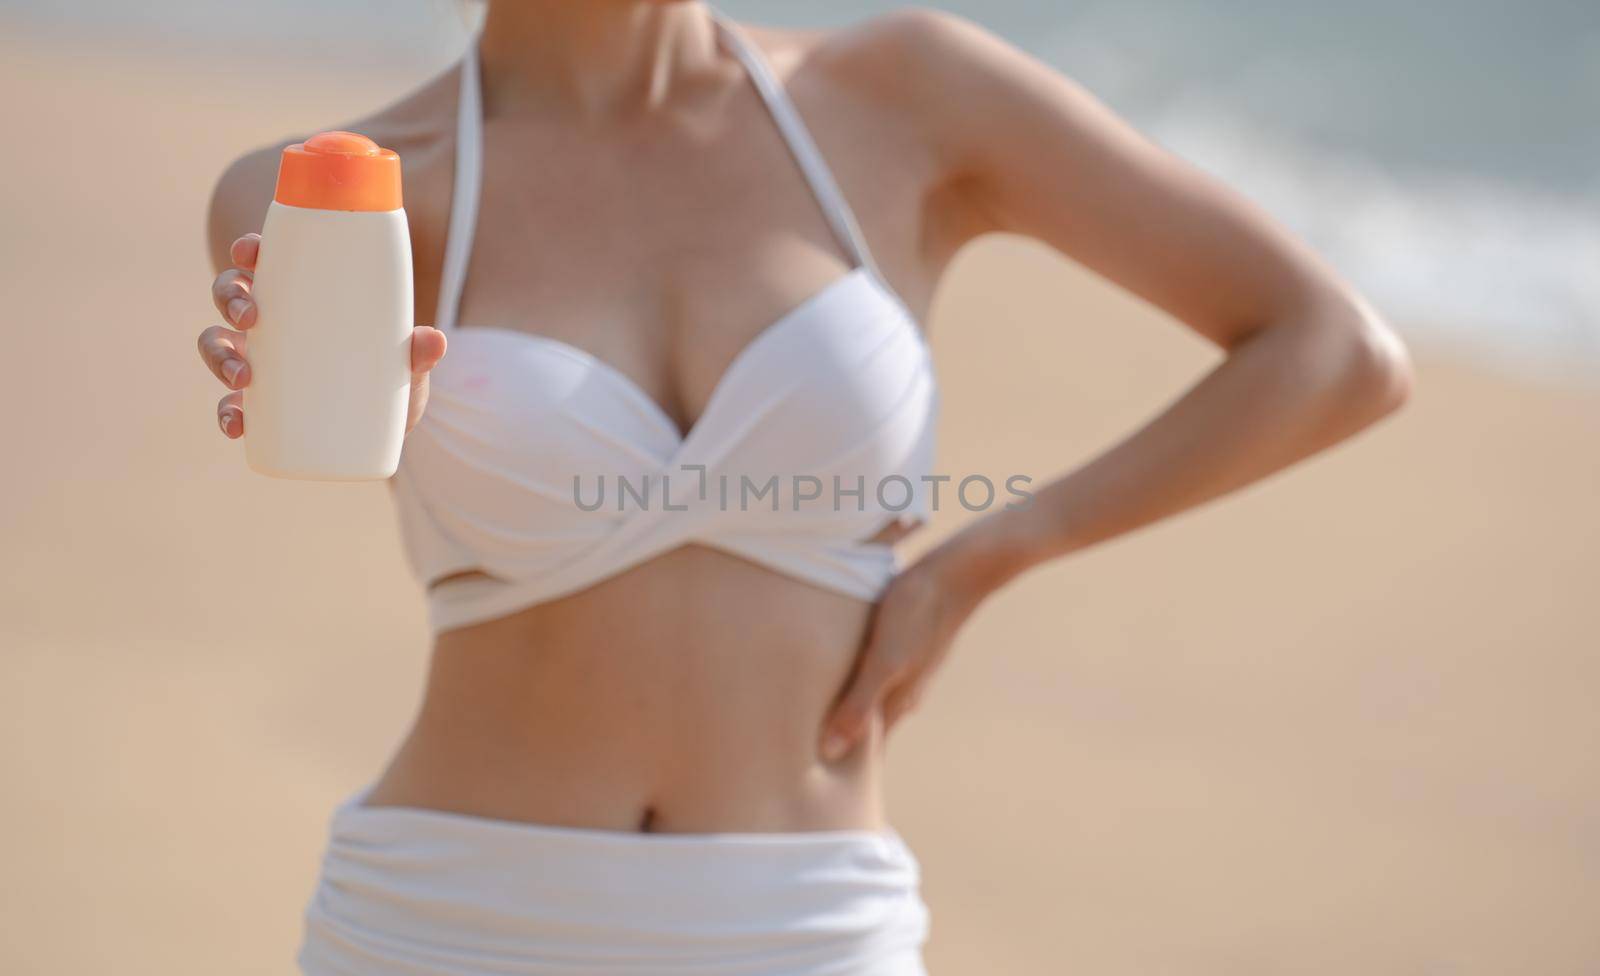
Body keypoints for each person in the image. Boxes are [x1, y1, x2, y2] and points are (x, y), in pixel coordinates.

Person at [198, 3, 1411, 973]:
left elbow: (1330, 350)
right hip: (449, 921)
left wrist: (989, 555)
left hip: (807, 927)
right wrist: (347, 401)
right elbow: (329, 431)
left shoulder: (903, 97)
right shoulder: (326, 193)